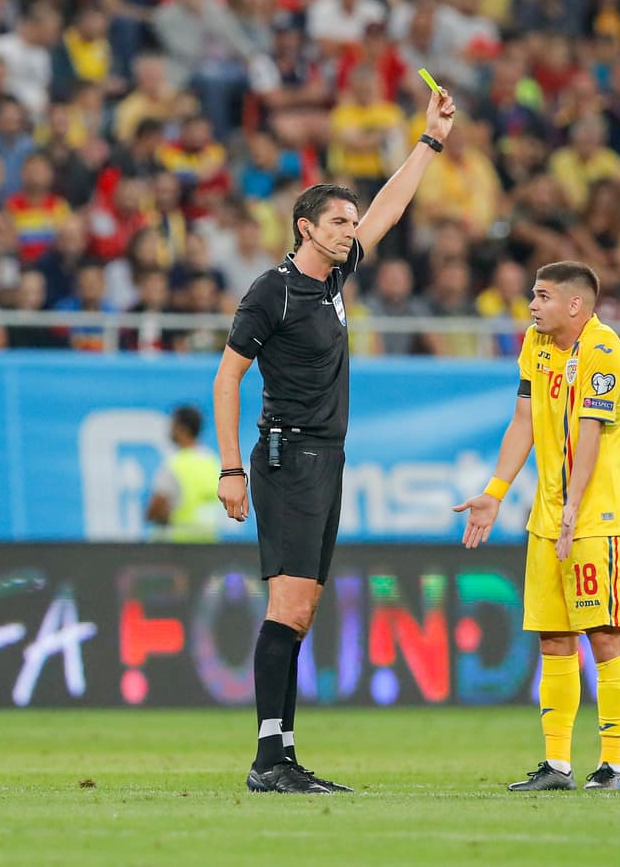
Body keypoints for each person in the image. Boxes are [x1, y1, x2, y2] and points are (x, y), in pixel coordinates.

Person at [213, 87, 457, 795]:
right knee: (286, 607)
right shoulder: (274, 291)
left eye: (352, 221)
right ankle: (267, 759)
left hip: (327, 457)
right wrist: (231, 468)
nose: (352, 229)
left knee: (303, 608)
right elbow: (228, 379)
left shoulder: (336, 278)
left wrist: (429, 142)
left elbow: (390, 206)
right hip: (286, 455)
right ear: (305, 226)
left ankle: (282, 753)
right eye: (339, 221)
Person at [454, 261, 620, 793]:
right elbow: (523, 422)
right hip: (547, 518)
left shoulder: (604, 350)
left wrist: (575, 507)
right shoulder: (534, 344)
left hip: (595, 519)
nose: (532, 305)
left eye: (542, 296)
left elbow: (591, 432)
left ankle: (612, 766)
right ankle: (557, 765)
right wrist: (495, 493)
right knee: (554, 639)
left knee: (603, 635)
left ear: (575, 305)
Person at [145, 405, 223, 542]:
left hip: (176, 546)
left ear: (182, 429)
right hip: (209, 544)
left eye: (173, 425)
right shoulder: (212, 461)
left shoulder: (175, 464)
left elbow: (155, 509)